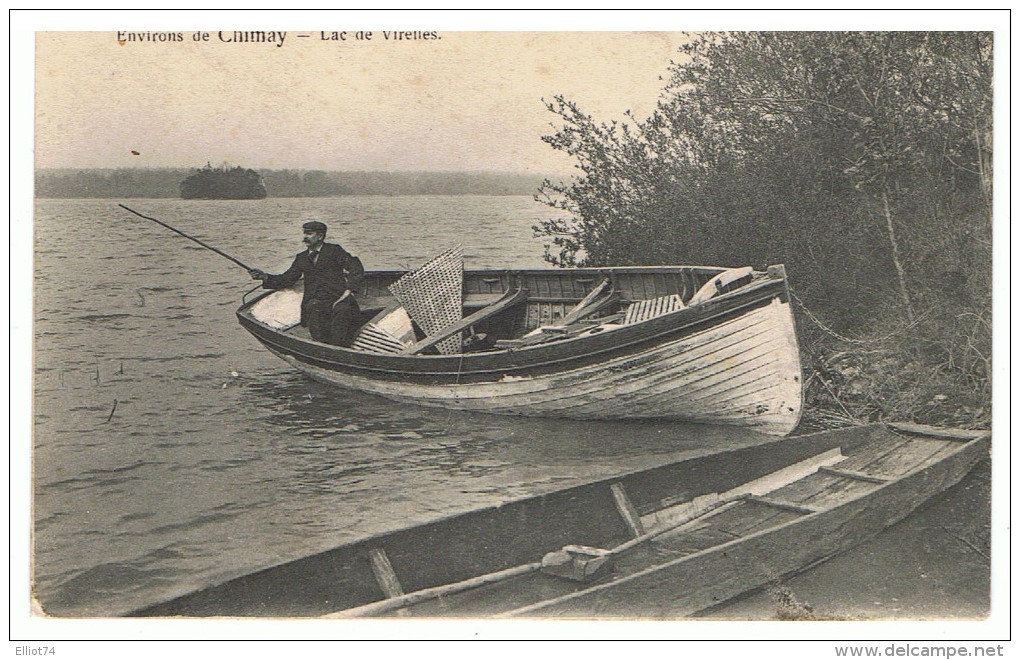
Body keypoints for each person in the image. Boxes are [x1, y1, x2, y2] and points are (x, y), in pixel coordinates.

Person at [249, 221, 365, 346]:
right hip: (316, 301)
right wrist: (265, 277)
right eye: (304, 233)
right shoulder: (302, 258)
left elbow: (355, 267)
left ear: (320, 236)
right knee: (313, 309)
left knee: (342, 312)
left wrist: (349, 290)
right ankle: (322, 347)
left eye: (309, 233)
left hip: (338, 298)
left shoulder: (334, 251)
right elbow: (287, 279)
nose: (305, 237)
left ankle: (340, 348)